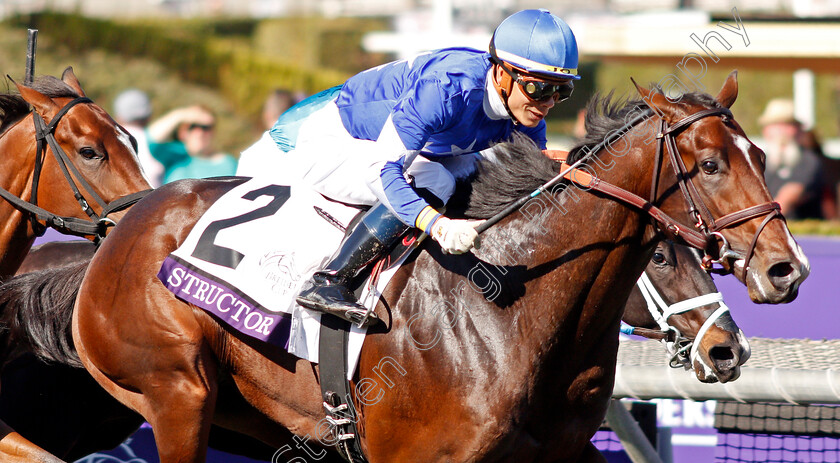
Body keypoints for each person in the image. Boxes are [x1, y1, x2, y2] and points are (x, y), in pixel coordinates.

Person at [242, 9, 580, 326]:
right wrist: (438, 226)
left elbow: (532, 182)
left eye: (561, 92)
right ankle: (329, 279)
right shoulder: (447, 89)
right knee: (438, 183)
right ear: (502, 73)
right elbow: (382, 170)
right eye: (539, 88)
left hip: (400, 148)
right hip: (325, 141)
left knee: (480, 177)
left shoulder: (527, 113)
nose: (548, 103)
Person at [757, 98, 823, 219]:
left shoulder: (809, 161)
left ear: (798, 130)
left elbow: (788, 198)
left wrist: (761, 223)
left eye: (787, 125)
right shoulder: (759, 163)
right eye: (776, 125)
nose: (781, 131)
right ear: (765, 131)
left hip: (802, 235)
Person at [146, 105, 238, 184]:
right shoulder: (175, 154)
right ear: (182, 132)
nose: (199, 133)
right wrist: (181, 115)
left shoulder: (229, 164)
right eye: (193, 126)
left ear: (214, 132)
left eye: (206, 128)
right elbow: (152, 138)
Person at [113, 89, 164, 187]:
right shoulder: (155, 140)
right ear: (149, 116)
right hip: (155, 200)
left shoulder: (109, 139)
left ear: (118, 116)